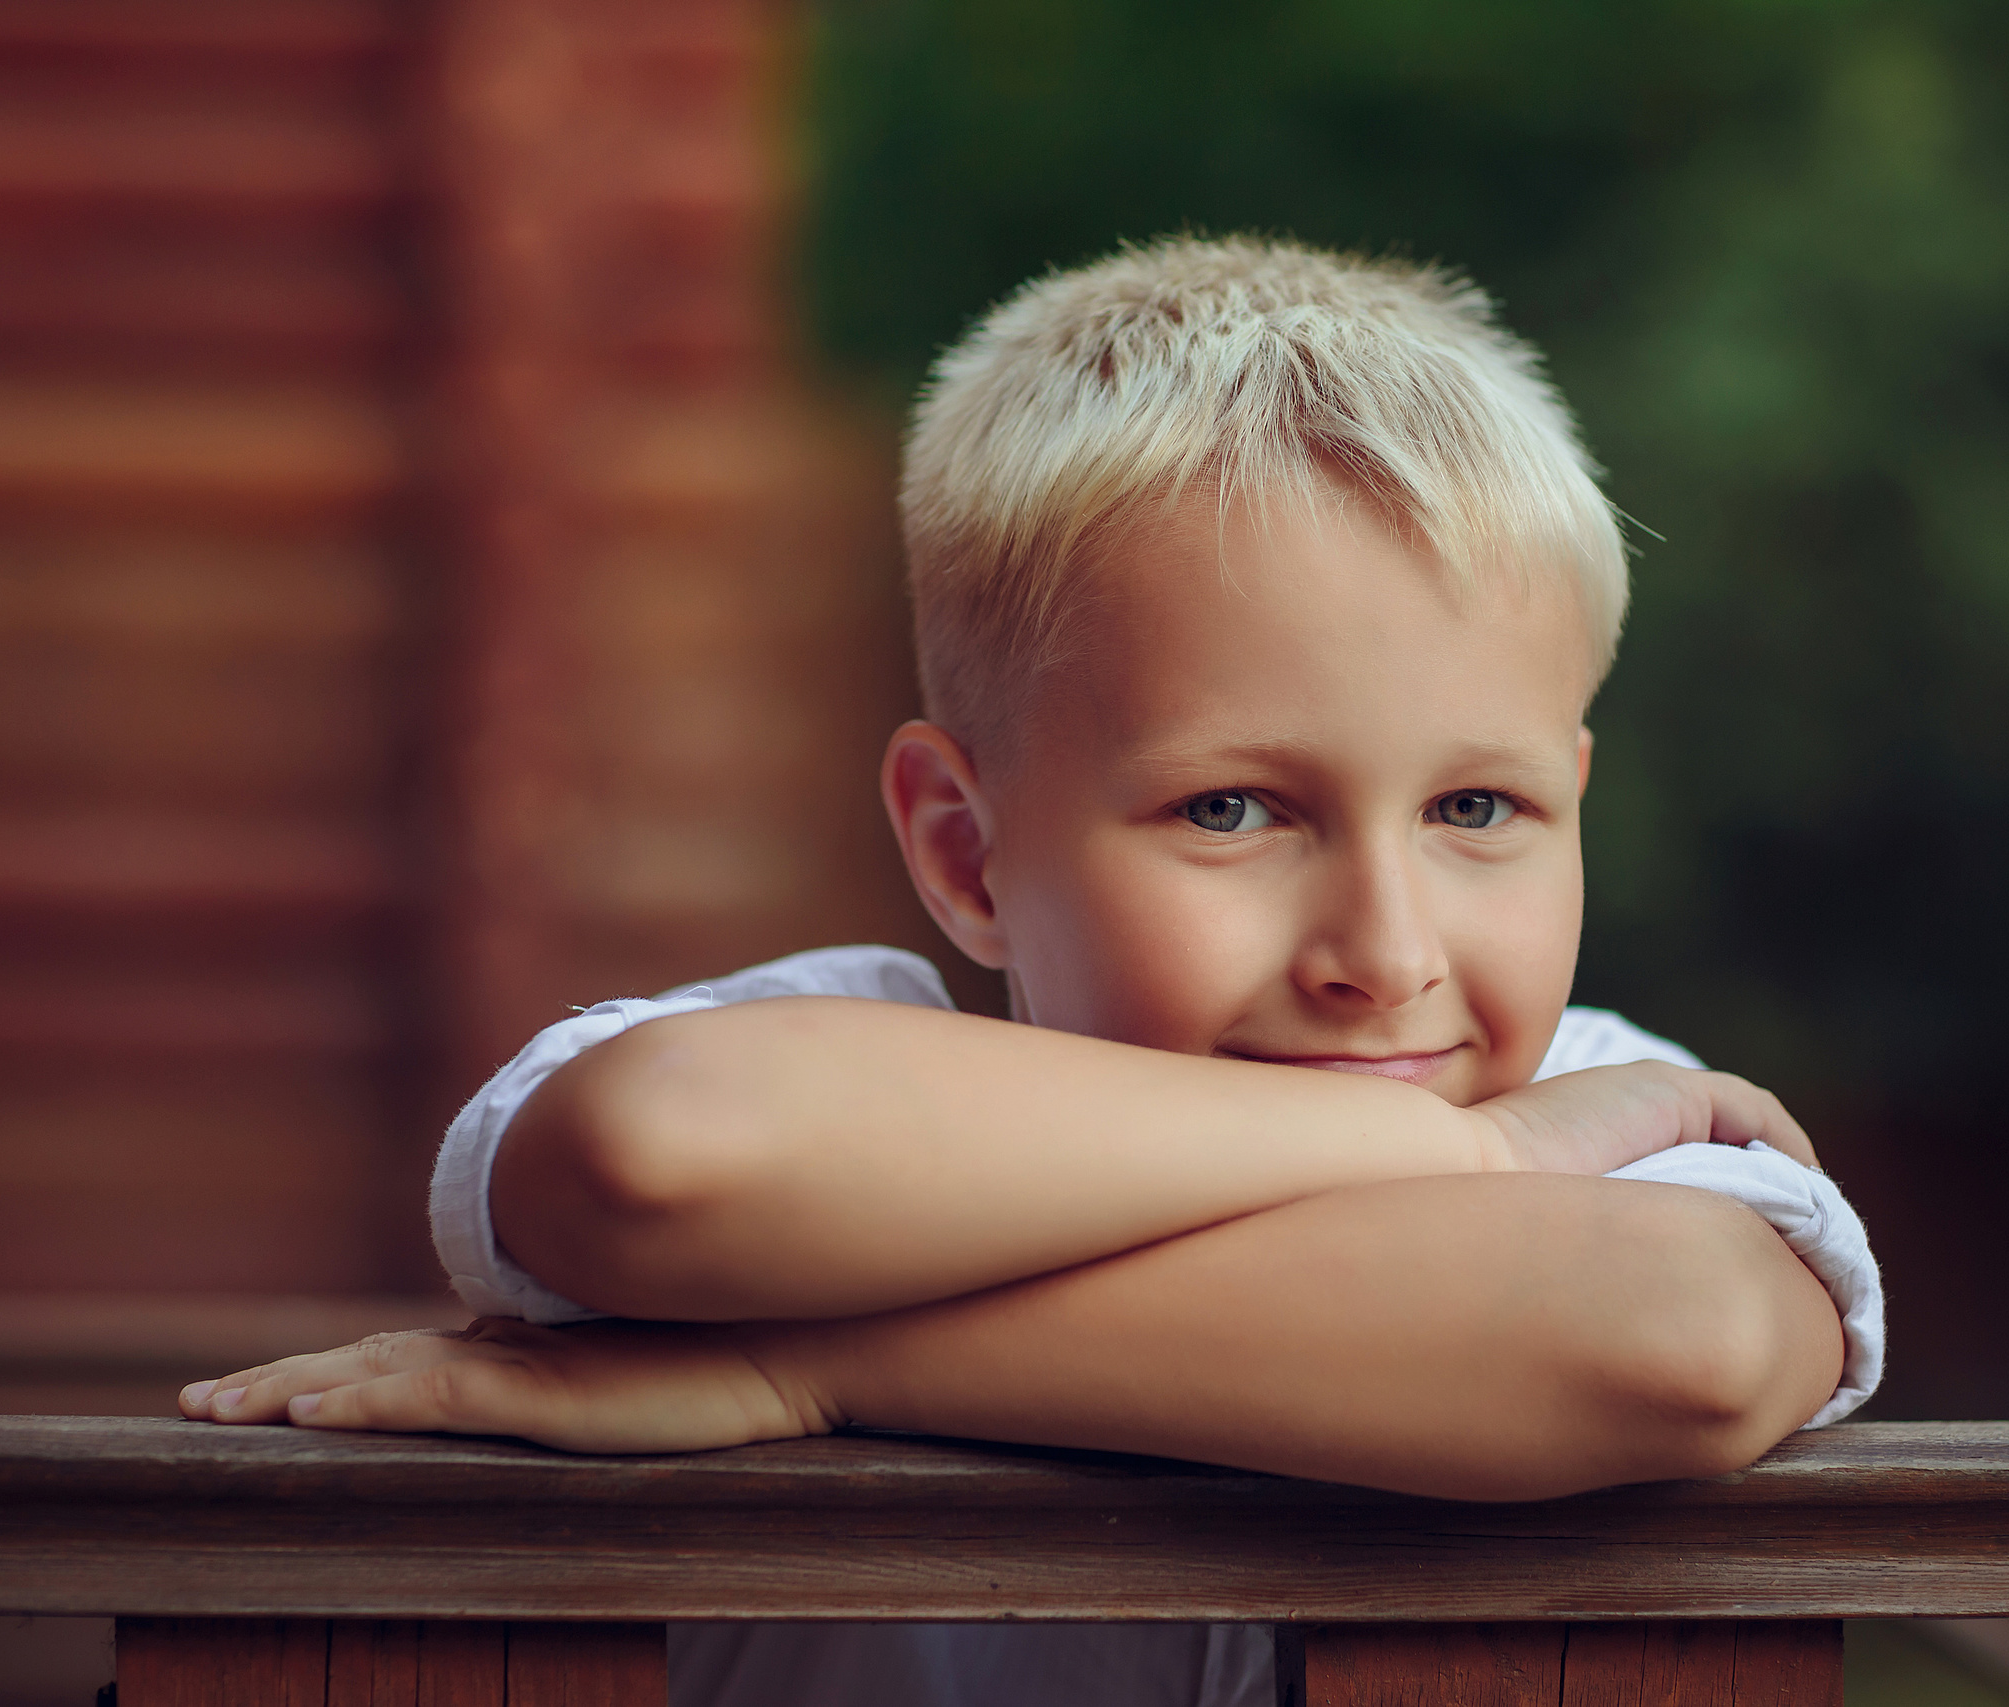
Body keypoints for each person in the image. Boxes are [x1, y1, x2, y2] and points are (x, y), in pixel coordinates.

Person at [180, 235, 1883, 1707]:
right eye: (1232, 808)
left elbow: (1686, 1341)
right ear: (963, 849)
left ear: (1575, 799)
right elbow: (659, 1156)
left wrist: (818, 1370)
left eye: (1477, 808)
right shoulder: (864, 1054)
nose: (1385, 953)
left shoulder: (1609, 1099)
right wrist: (1481, 1160)